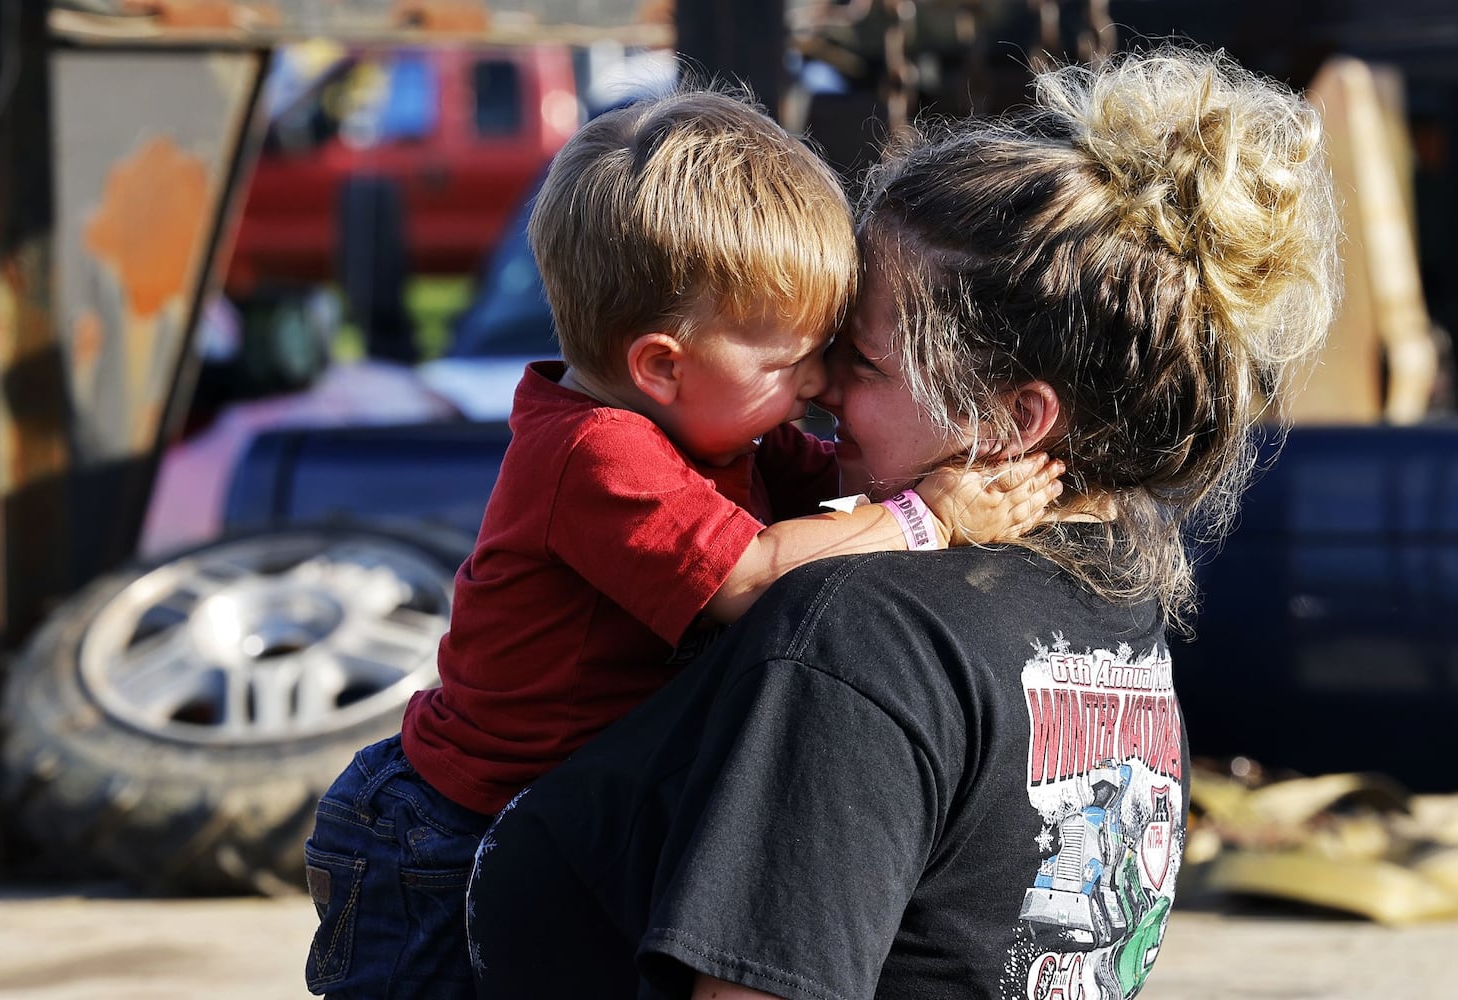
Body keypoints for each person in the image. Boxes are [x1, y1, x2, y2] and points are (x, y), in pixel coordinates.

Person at [465, 47, 1339, 1000]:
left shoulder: (861, 634)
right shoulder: (1111, 609)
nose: (823, 385)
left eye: (863, 363)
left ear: (1011, 421)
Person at [303, 90, 1062, 998]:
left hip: (559, 823)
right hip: (439, 838)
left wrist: (964, 454)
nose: (821, 384)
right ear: (661, 364)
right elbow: (749, 577)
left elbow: (838, 492)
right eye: (794, 363)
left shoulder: (721, 432)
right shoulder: (594, 454)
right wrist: (932, 516)